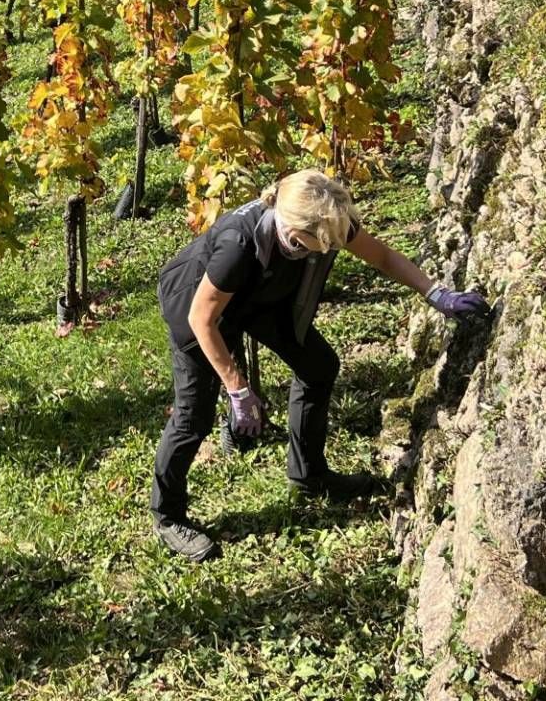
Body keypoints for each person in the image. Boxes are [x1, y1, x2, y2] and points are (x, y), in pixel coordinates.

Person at [150, 169, 489, 562]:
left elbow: (381, 255)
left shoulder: (325, 220)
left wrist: (437, 293)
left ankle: (308, 474)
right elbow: (202, 320)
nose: (331, 248)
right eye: (322, 244)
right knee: (194, 417)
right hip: (195, 306)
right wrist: (237, 388)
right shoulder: (237, 248)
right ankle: (167, 515)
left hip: (260, 295)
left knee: (318, 366)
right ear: (295, 233)